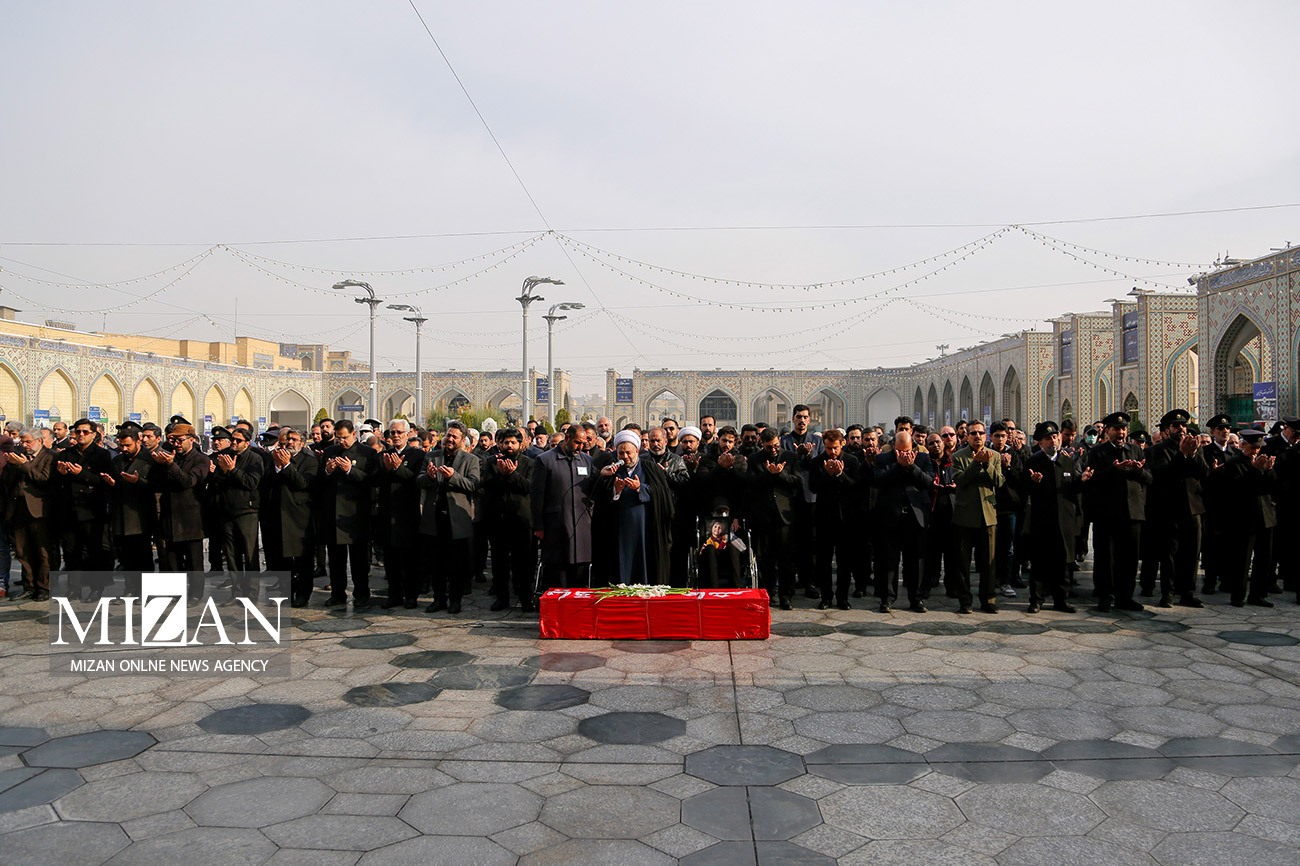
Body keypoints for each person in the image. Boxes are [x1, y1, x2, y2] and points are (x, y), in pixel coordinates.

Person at [1140, 409, 1208, 608]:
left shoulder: (1195, 448)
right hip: (1169, 509)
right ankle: (1167, 593)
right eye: (1176, 426)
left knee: (1192, 553)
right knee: (1169, 554)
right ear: (1167, 429)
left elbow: (1204, 473)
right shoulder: (1157, 451)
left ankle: (1187, 592)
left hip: (1193, 508)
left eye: (1183, 425)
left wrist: (1193, 454)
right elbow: (1163, 475)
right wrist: (1182, 454)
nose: (1181, 429)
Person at [1086, 412, 1150, 612]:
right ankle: (1105, 596)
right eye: (1116, 429)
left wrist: (1138, 470)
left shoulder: (1136, 450)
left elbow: (1149, 478)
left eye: (1123, 429)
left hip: (1132, 513)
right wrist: (1114, 469)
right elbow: (1092, 480)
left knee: (1129, 558)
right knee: (1106, 557)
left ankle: (1125, 597)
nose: (1120, 432)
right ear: (1107, 431)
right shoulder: (1098, 452)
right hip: (1107, 513)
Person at [594, 429, 674, 584]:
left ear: (637, 451)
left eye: (628, 453)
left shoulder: (650, 468)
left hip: (645, 527)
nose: (625, 457)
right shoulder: (613, 470)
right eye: (621, 453)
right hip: (619, 528)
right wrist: (615, 490)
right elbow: (601, 500)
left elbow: (662, 495)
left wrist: (640, 488)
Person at [417, 421, 481, 614]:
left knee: (456, 564)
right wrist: (429, 477)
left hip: (457, 519)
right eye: (448, 435)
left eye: (454, 437)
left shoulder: (470, 460)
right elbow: (419, 481)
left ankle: (455, 600)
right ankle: (438, 599)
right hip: (434, 517)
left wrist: (453, 477)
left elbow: (474, 484)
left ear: (462, 440)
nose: (450, 439)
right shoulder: (432, 456)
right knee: (436, 563)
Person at [1023, 421, 1086, 613]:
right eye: (1048, 438)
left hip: (1065, 520)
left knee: (1063, 562)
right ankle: (1036, 599)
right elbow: (1024, 489)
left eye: (1055, 437)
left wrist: (1083, 482)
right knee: (1040, 561)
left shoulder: (1067, 461)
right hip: (1042, 520)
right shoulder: (1033, 462)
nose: (1053, 441)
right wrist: (1033, 483)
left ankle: (1061, 599)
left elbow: (1072, 489)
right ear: (1040, 442)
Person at [315, 419, 377, 610]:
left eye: (345, 437)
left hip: (355, 514)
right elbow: (319, 481)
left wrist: (350, 470)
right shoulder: (330, 452)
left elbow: (371, 480)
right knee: (335, 559)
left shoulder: (367, 453)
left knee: (358, 559)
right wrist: (328, 470)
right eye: (338, 438)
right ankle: (337, 594)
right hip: (333, 513)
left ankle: (361, 594)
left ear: (353, 434)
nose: (341, 441)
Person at [872, 429, 935, 613]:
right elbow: (879, 481)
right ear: (894, 447)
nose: (903, 454)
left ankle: (916, 599)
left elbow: (928, 482)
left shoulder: (922, 458)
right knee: (889, 560)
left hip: (915, 517)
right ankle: (887, 598)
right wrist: (899, 466)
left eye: (906, 451)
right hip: (891, 516)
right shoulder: (882, 459)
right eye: (899, 451)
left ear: (912, 447)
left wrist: (911, 466)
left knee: (915, 561)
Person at [530, 423, 595, 590]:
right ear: (567, 438)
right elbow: (537, 497)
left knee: (580, 573)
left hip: (581, 526)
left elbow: (594, 487)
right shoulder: (545, 460)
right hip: (556, 525)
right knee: (557, 572)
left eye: (583, 443)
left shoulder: (586, 460)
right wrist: (538, 526)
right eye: (577, 443)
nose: (580, 447)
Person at [152, 421, 211, 601]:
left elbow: (188, 481)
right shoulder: (170, 457)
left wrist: (171, 465)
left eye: (180, 440)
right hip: (170, 515)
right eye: (173, 440)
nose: (176, 444)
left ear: (191, 439)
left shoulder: (201, 460)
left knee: (194, 561)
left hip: (191, 517)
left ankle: (195, 594)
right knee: (172, 559)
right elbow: (157, 484)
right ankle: (176, 593)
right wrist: (160, 465)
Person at [481, 428, 537, 612]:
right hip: (498, 520)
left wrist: (512, 474)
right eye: (506, 443)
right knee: (499, 562)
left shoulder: (529, 463)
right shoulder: (491, 462)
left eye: (513, 442)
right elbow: (486, 485)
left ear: (520, 444)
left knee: (524, 562)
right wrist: (502, 474)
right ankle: (502, 598)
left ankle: (525, 598)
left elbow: (529, 487)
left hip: (522, 520)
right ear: (500, 444)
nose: (510, 446)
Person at [262, 427, 318, 608]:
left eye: (294, 439)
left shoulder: (309, 461)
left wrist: (286, 466)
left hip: (299, 517)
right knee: (281, 559)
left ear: (302, 443)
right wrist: (278, 466)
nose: (290, 443)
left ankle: (303, 594)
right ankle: (286, 592)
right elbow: (267, 481)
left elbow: (303, 483)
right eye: (288, 439)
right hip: (278, 515)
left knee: (303, 559)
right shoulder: (275, 458)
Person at [1221, 429, 1277, 607]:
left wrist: (1268, 471)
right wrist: (1254, 470)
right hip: (1245, 517)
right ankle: (1238, 595)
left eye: (1258, 448)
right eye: (1253, 447)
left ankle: (1258, 594)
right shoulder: (1234, 463)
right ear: (1243, 445)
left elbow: (1272, 487)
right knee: (1242, 559)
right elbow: (1238, 488)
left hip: (1265, 515)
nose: (1256, 451)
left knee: (1264, 558)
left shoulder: (1262, 461)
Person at [100, 422, 158, 596]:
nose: (124, 449)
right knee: (125, 555)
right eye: (122, 445)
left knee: (143, 556)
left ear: (138, 442)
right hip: (120, 515)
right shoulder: (117, 461)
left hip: (140, 515)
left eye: (128, 445)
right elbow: (114, 488)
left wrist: (138, 482)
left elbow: (156, 486)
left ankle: (145, 590)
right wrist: (112, 484)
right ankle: (130, 588)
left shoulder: (150, 460)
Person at [952, 420, 1003, 613]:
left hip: (988, 516)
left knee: (989, 562)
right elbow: (960, 480)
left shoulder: (994, 456)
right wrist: (975, 463)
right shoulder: (958, 456)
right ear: (967, 436)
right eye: (973, 433)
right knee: (963, 562)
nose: (977, 436)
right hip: (965, 517)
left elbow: (999, 482)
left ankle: (988, 599)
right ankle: (965, 601)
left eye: (981, 433)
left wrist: (987, 464)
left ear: (986, 435)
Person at [374, 419, 424, 610]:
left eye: (399, 432)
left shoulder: (418, 455)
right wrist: (388, 469)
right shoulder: (383, 455)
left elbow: (416, 480)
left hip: (408, 514)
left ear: (408, 434)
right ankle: (394, 594)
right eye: (392, 432)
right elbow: (375, 480)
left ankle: (411, 595)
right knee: (391, 559)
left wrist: (398, 468)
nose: (395, 436)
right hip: (387, 513)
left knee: (410, 559)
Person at [210, 426, 264, 601]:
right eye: (232, 439)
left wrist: (233, 470)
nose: (234, 443)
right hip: (226, 512)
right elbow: (217, 482)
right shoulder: (224, 456)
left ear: (247, 443)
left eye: (238, 440)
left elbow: (251, 482)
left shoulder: (255, 458)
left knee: (249, 553)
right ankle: (237, 591)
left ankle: (252, 593)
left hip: (247, 511)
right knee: (232, 555)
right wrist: (223, 471)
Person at [749, 427, 801, 608]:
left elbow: (798, 481)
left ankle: (786, 595)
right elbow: (751, 484)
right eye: (769, 447)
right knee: (765, 559)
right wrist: (767, 473)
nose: (773, 450)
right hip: (763, 516)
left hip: (784, 516)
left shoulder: (790, 457)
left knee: (786, 559)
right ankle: (769, 593)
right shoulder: (755, 459)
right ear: (762, 444)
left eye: (776, 446)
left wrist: (780, 474)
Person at [808, 429, 859, 610]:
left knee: (845, 561)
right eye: (829, 448)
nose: (832, 452)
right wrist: (827, 474)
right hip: (824, 518)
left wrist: (839, 474)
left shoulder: (852, 461)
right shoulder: (817, 462)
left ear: (842, 444)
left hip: (846, 519)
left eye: (835, 448)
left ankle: (842, 597)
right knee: (824, 561)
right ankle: (826, 597)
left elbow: (855, 486)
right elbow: (813, 487)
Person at [6, 428, 56, 601]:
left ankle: (44, 587)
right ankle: (29, 586)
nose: (24, 445)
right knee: (22, 550)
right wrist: (12, 465)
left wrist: (24, 465)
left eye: (28, 442)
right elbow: (9, 481)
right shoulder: (20, 456)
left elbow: (44, 479)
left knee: (42, 551)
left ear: (39, 441)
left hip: (39, 510)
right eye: (22, 442)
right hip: (18, 508)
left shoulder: (50, 456)